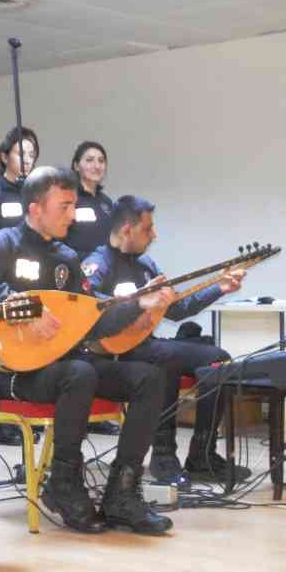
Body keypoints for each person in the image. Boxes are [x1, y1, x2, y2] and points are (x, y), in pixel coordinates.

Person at [0, 167, 175, 535]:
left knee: (148, 378)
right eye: (65, 206)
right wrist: (25, 310)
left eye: (74, 206)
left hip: (63, 364)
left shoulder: (67, 257)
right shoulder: (3, 242)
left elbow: (94, 317)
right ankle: (63, 482)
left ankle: (122, 492)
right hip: (13, 371)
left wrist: (140, 303)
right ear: (36, 208)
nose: (73, 215)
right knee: (81, 373)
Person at [80, 196, 246, 488]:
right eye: (148, 229)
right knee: (164, 359)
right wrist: (136, 301)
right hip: (114, 354)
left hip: (146, 345)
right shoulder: (97, 264)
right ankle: (163, 456)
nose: (154, 235)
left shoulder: (146, 264)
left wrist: (219, 287)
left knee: (219, 359)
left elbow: (178, 308)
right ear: (128, 229)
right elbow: (86, 305)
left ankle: (203, 455)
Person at [66, 141, 114, 256]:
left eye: (101, 161)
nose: (97, 166)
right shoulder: (67, 198)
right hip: (76, 268)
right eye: (89, 160)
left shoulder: (107, 202)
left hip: (104, 269)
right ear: (76, 166)